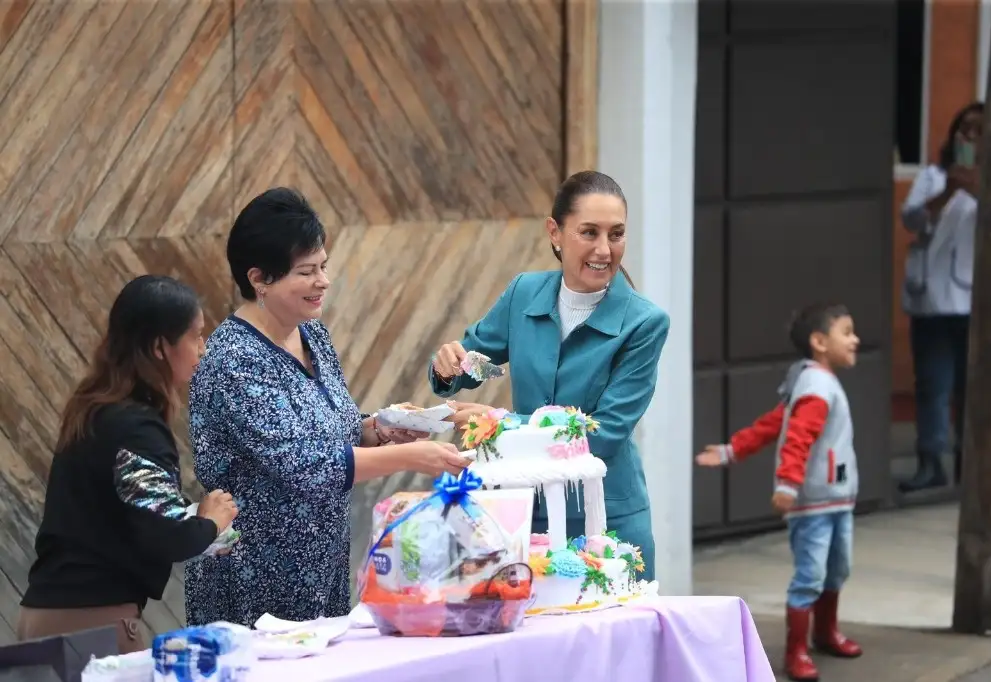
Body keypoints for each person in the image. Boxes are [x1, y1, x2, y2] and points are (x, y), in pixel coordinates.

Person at [184, 187, 469, 628]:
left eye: (324, 266)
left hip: (322, 565)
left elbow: (335, 430)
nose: (323, 282)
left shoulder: (311, 334)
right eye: (306, 271)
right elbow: (305, 462)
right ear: (258, 278)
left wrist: (381, 427)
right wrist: (411, 458)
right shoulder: (233, 359)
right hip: (254, 575)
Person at [427, 170, 669, 581]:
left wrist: (498, 424)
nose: (604, 249)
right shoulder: (524, 293)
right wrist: (449, 365)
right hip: (525, 513)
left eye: (616, 234)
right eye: (588, 232)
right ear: (555, 232)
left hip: (606, 519)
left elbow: (604, 433)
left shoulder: (644, 323)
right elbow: (474, 363)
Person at [17, 275, 238, 654]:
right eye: (194, 336)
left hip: (47, 616)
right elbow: (166, 534)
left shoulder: (93, 408)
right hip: (91, 623)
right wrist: (211, 520)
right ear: (159, 347)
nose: (202, 349)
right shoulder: (135, 428)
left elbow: (126, 519)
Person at [695, 303, 862, 682]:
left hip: (836, 498)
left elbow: (774, 424)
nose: (856, 340)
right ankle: (796, 650)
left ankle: (824, 632)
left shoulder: (816, 381)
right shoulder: (816, 386)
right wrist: (787, 483)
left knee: (837, 569)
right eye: (847, 332)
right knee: (811, 574)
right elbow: (796, 435)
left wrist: (731, 450)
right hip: (815, 503)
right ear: (819, 342)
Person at [899, 101, 984, 492]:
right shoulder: (933, 176)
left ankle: (971, 463)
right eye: (963, 129)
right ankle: (930, 462)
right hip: (931, 299)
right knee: (932, 385)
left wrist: (976, 186)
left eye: (978, 130)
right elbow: (911, 219)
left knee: (972, 388)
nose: (968, 136)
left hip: (973, 303)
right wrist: (949, 188)